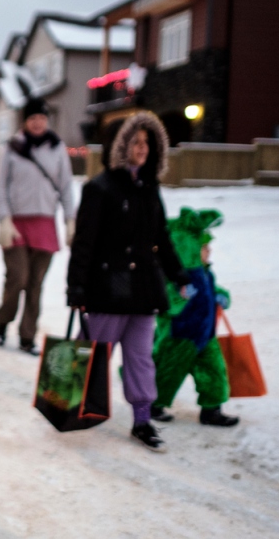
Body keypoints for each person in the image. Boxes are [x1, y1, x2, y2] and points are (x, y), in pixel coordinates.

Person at [67, 111, 191, 452]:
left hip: (144, 289)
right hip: (109, 287)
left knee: (140, 358)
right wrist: (76, 287)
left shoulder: (150, 189)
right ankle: (71, 403)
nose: (143, 148)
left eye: (147, 142)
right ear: (120, 146)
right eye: (136, 142)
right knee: (94, 353)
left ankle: (142, 419)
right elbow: (84, 243)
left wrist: (178, 274)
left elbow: (161, 238)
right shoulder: (100, 188)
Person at [0, 97, 76, 355]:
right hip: (15, 224)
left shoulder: (57, 148)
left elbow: (66, 186)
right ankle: (2, 322)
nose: (37, 123)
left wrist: (70, 219)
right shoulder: (12, 149)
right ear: (25, 121)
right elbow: (0, 187)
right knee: (18, 278)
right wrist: (4, 218)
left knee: (36, 283)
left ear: (47, 120)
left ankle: (27, 336)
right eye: (32, 118)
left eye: (41, 118)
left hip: (45, 224)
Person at [151, 207, 239, 426]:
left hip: (206, 334)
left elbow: (213, 289)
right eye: (204, 247)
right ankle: (154, 404)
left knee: (214, 371)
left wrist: (222, 295)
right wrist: (179, 299)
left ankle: (212, 409)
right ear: (189, 248)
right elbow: (165, 299)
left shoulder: (205, 272)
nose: (209, 251)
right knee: (168, 372)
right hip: (180, 334)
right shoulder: (176, 276)